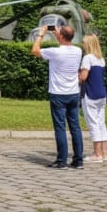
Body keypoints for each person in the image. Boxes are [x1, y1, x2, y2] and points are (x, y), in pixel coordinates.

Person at [31, 24, 84, 169]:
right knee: (75, 127)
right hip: (73, 93)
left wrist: (41, 34)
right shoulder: (78, 51)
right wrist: (58, 34)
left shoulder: (55, 52)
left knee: (60, 127)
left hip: (58, 93)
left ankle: (62, 161)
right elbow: (64, 44)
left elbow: (35, 50)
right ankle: (78, 160)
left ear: (61, 36)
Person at [79, 33, 107, 163]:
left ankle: (97, 154)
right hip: (102, 94)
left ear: (88, 44)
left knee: (93, 124)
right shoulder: (101, 59)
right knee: (101, 123)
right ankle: (104, 153)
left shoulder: (87, 58)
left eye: (84, 42)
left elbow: (84, 77)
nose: (82, 44)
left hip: (90, 94)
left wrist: (75, 76)